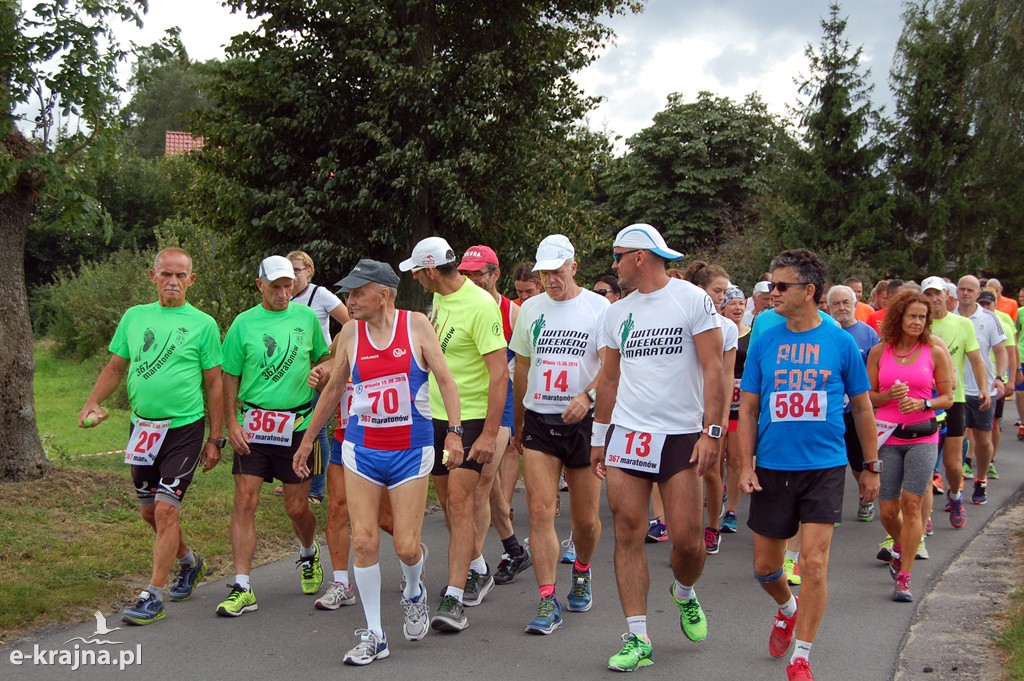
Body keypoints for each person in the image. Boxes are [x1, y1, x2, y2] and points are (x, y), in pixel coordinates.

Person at [293, 259, 462, 665]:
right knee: (365, 540)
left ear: (383, 294)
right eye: (348, 294)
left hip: (410, 450)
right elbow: (334, 390)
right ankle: (374, 633)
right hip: (362, 449)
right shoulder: (349, 333)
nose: (349, 301)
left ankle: (414, 589)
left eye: (357, 293)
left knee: (405, 545)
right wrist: (307, 440)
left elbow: (445, 379)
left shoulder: (416, 325)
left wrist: (455, 432)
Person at [738, 248, 880, 681]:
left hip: (824, 465)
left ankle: (802, 656)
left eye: (782, 286)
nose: (772, 292)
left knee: (815, 563)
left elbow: (861, 408)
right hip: (773, 467)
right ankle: (786, 609)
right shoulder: (764, 340)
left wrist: (870, 464)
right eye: (771, 285)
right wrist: (746, 464)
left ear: (809, 291)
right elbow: (746, 410)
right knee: (766, 566)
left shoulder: (839, 341)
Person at [590, 223, 725, 672]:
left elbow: (714, 370)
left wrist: (712, 432)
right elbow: (608, 380)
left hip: (682, 435)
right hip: (628, 433)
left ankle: (684, 592)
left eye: (618, 255)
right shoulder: (616, 312)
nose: (614, 264)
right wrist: (598, 437)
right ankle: (637, 636)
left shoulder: (691, 299)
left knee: (687, 543)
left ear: (641, 257)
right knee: (628, 531)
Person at [79, 248, 224, 625]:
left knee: (165, 509)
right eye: (166, 274)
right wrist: (92, 402)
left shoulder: (203, 324)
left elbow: (214, 384)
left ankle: (153, 595)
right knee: (149, 512)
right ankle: (190, 563)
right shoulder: (135, 317)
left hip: (184, 430)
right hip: (143, 429)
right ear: (153, 276)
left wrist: (215, 437)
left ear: (191, 280)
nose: (172, 281)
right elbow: (115, 366)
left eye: (180, 275)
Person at [401, 237, 509, 632]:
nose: (413, 277)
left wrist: (488, 435)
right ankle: (477, 568)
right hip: (437, 417)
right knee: (449, 505)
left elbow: (500, 375)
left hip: (474, 418)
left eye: (416, 270)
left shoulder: (480, 305)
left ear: (430, 271)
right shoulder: (439, 302)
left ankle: (453, 597)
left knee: (461, 504)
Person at [216, 255, 331, 617]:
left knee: (296, 508)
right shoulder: (243, 324)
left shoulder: (307, 318)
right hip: (254, 425)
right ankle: (242, 586)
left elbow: (326, 358)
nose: (284, 293)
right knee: (244, 501)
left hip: (296, 428)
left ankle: (309, 552)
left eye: (288, 286)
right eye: (276, 287)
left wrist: (322, 373)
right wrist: (231, 424)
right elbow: (229, 374)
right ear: (259, 285)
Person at [509, 234, 608, 634]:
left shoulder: (599, 307)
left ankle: (582, 569)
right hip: (539, 421)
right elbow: (521, 368)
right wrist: (517, 421)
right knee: (538, 511)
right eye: (544, 272)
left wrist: (589, 396)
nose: (551, 278)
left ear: (574, 266)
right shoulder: (530, 309)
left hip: (583, 423)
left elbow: (612, 367)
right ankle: (547, 599)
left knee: (585, 520)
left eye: (557, 270)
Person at [867, 290, 953, 602]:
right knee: (888, 511)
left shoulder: (934, 351)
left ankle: (904, 576)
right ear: (899, 317)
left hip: (923, 435)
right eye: (912, 316)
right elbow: (867, 396)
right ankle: (902, 544)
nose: (917, 322)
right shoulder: (880, 351)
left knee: (912, 504)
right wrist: (888, 397)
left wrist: (923, 402)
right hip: (888, 436)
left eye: (922, 317)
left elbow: (948, 397)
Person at [457, 245, 531, 586]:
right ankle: (514, 549)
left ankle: (474, 570)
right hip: (466, 405)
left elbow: (530, 364)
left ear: (495, 275)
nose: (471, 280)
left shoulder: (512, 312)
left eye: (478, 275)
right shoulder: (456, 306)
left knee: (481, 484)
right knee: (491, 488)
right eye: (465, 274)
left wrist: (523, 415)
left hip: (499, 405)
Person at [284, 251, 351, 503]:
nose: (293, 274)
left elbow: (351, 323)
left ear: (309, 271)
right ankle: (293, 477)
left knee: (317, 428)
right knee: (293, 425)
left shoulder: (319, 294)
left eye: (297, 269)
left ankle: (315, 488)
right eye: (289, 269)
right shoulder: (283, 297)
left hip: (317, 371)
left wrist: (333, 353)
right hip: (290, 373)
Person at [681, 260, 735, 556]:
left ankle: (712, 527)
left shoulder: (726, 327)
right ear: (700, 290)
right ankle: (685, 528)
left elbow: (725, 375)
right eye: (717, 290)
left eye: (725, 292)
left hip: (709, 409)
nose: (722, 297)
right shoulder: (682, 320)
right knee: (685, 472)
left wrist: (722, 415)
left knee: (711, 471)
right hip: (683, 407)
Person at [826, 284, 880, 522]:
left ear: (855, 305)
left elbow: (876, 370)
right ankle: (828, 509)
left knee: (858, 461)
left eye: (846, 302)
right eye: (836, 303)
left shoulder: (868, 334)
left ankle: (865, 496)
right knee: (830, 461)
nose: (841, 307)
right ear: (828, 307)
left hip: (856, 408)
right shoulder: (825, 332)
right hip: (830, 410)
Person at [955, 275, 1007, 505]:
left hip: (982, 389)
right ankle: (956, 487)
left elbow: (1000, 351)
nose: (965, 293)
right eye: (962, 289)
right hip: (955, 391)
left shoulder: (989, 318)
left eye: (970, 290)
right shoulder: (949, 316)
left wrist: (999, 377)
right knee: (955, 441)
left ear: (978, 294)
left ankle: (981, 479)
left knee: (983, 440)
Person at [978, 289, 1017, 477]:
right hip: (977, 383)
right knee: (969, 429)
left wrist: (1009, 377)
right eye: (982, 303)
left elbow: (1010, 352)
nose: (985, 307)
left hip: (996, 382)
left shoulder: (1003, 323)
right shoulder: (972, 322)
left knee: (994, 423)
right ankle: (970, 460)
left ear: (995, 305)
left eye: (989, 304)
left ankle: (991, 459)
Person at [720, 285, 748, 535]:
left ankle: (732, 511)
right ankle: (718, 493)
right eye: (732, 303)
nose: (738, 308)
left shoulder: (751, 334)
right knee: (716, 459)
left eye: (741, 303)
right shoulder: (716, 332)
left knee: (737, 458)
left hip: (741, 406)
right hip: (719, 403)